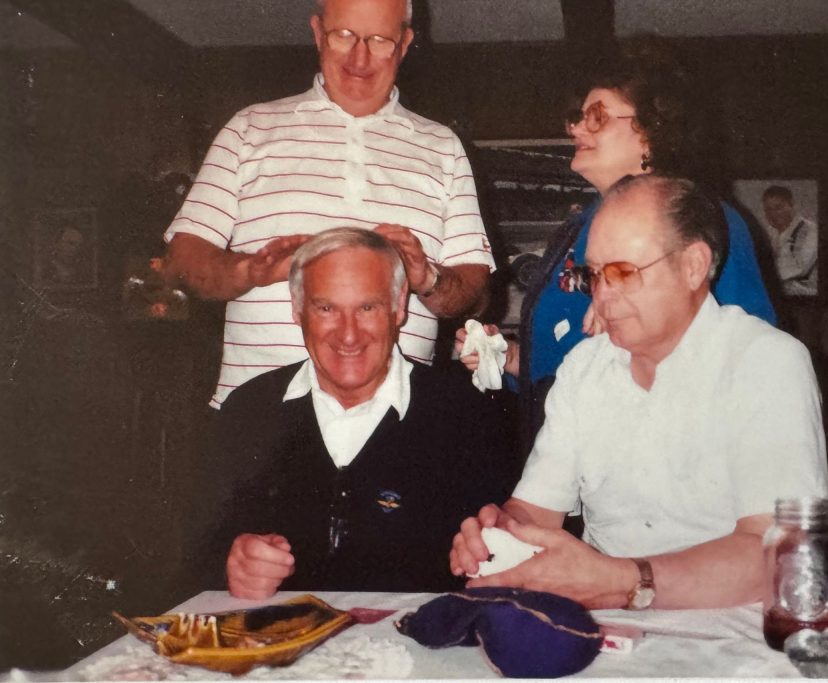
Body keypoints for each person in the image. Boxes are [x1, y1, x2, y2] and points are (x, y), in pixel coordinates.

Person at [449, 176, 827, 610]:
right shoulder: (584, 367)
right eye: (593, 275)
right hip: (606, 633)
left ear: (693, 266)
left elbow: (779, 551)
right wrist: (497, 533)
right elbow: (535, 510)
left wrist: (626, 581)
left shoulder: (765, 362)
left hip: (735, 638)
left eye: (623, 273)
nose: (603, 296)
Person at [164, 0, 493, 407]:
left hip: (398, 425)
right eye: (343, 36)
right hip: (259, 421)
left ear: (404, 44)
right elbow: (182, 262)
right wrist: (250, 270)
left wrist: (426, 278)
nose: (360, 57)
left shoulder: (444, 148)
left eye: (379, 40)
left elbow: (475, 292)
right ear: (318, 33)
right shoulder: (248, 129)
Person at [457, 49, 775, 453]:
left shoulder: (704, 221)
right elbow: (571, 356)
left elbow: (753, 355)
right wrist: (511, 360)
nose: (577, 129)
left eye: (598, 117)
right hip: (568, 455)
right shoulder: (577, 228)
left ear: (651, 130)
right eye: (578, 117)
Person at [201, 228, 516, 599]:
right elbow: (192, 552)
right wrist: (229, 565)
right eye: (326, 308)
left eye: (367, 308)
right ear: (297, 309)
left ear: (399, 306)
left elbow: (505, 568)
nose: (348, 335)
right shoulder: (248, 411)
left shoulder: (469, 415)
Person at [762, 185, 818, 296]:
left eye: (778, 207)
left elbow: (800, 268)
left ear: (791, 204)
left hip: (806, 296)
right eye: (768, 209)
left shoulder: (810, 231)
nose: (773, 214)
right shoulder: (766, 233)